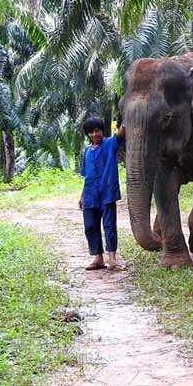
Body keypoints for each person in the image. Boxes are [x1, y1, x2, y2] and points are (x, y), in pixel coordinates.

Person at [79, 116, 125, 271]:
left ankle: (112, 258)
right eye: (91, 132)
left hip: (107, 192)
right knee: (90, 226)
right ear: (88, 134)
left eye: (97, 130)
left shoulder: (109, 144)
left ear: (102, 130)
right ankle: (98, 258)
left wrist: (124, 118)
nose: (94, 134)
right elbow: (87, 176)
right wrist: (83, 195)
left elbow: (120, 134)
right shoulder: (86, 151)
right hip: (90, 194)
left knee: (109, 225)